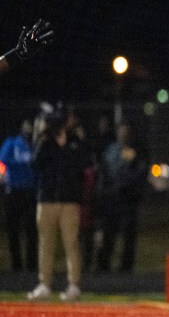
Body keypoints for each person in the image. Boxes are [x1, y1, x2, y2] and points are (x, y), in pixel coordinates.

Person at [28, 106, 92, 301]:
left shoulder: (74, 142)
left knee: (71, 243)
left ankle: (73, 285)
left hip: (69, 200)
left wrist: (74, 141)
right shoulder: (45, 142)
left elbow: (84, 163)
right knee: (46, 243)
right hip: (47, 199)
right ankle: (44, 284)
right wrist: (41, 138)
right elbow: (35, 164)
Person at [96, 121, 149, 273]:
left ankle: (126, 267)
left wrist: (129, 179)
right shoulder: (111, 150)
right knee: (108, 233)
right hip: (111, 198)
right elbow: (105, 172)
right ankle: (103, 265)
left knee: (128, 234)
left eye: (126, 132)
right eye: (121, 131)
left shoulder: (136, 151)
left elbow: (140, 172)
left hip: (128, 198)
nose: (123, 135)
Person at [0, 119, 38, 272]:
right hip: (14, 191)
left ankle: (31, 265)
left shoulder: (35, 145)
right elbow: (1, 162)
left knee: (31, 230)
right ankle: (16, 265)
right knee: (13, 229)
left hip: (30, 192)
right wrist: (3, 180)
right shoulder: (12, 143)